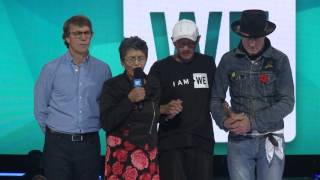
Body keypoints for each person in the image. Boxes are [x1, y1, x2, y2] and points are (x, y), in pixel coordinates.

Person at [210, 9, 295, 180]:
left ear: (265, 34)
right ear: (240, 34)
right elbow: (215, 99)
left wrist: (253, 122)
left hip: (271, 138)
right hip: (239, 140)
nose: (252, 43)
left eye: (256, 38)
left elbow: (287, 101)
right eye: (248, 37)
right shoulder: (228, 60)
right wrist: (225, 121)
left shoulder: (280, 60)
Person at [34, 15, 112, 180]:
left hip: (89, 144)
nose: (83, 38)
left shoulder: (103, 69)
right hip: (57, 144)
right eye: (77, 34)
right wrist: (54, 134)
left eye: (87, 33)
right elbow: (40, 108)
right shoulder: (50, 69)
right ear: (67, 38)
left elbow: (106, 105)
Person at [148, 19, 216, 180]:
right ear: (173, 41)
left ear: (198, 40)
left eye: (190, 44)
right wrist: (164, 109)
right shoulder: (159, 68)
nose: (185, 48)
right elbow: (147, 106)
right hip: (170, 143)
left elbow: (217, 97)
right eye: (181, 44)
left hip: (201, 141)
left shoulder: (207, 63)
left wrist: (227, 113)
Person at [100, 36, 160, 180]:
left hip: (147, 151)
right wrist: (129, 100)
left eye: (141, 58)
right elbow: (107, 122)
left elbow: (155, 115)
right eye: (131, 59)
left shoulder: (154, 84)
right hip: (120, 154)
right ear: (122, 61)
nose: (136, 63)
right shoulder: (112, 86)